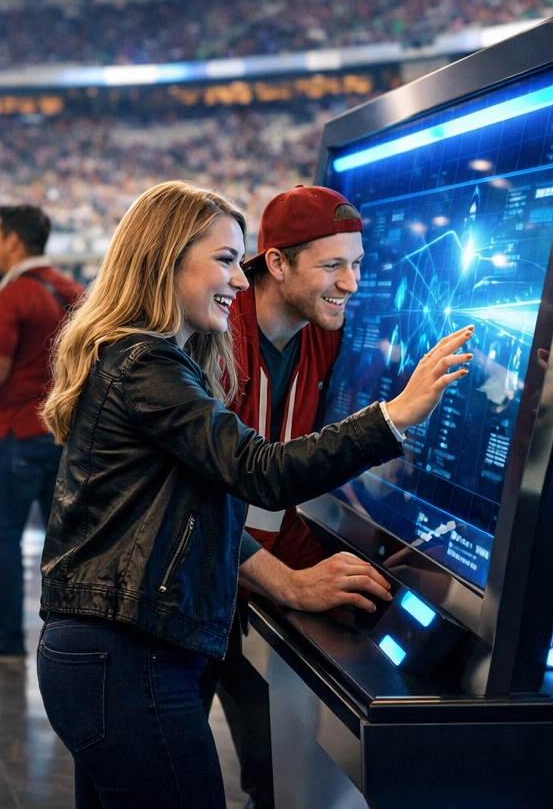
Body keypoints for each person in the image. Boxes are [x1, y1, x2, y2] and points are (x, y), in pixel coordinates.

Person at [33, 180, 472, 808]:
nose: (238, 281)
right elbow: (258, 471)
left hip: (120, 647)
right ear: (163, 259)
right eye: (223, 260)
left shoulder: (151, 356)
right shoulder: (146, 364)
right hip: (127, 655)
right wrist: (393, 418)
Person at [206, 185, 392, 809]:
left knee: (273, 767)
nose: (351, 283)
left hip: (259, 561)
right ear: (277, 263)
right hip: (194, 576)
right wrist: (288, 583)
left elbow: (294, 460)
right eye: (333, 265)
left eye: (358, 263)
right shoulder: (211, 330)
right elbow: (196, 501)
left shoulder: (324, 330)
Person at [0, 205, 82, 659]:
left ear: (12, 242)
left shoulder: (11, 296)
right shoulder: (71, 289)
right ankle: (67, 639)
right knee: (66, 542)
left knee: (2, 539)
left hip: (13, 435)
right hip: (63, 437)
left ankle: (7, 637)